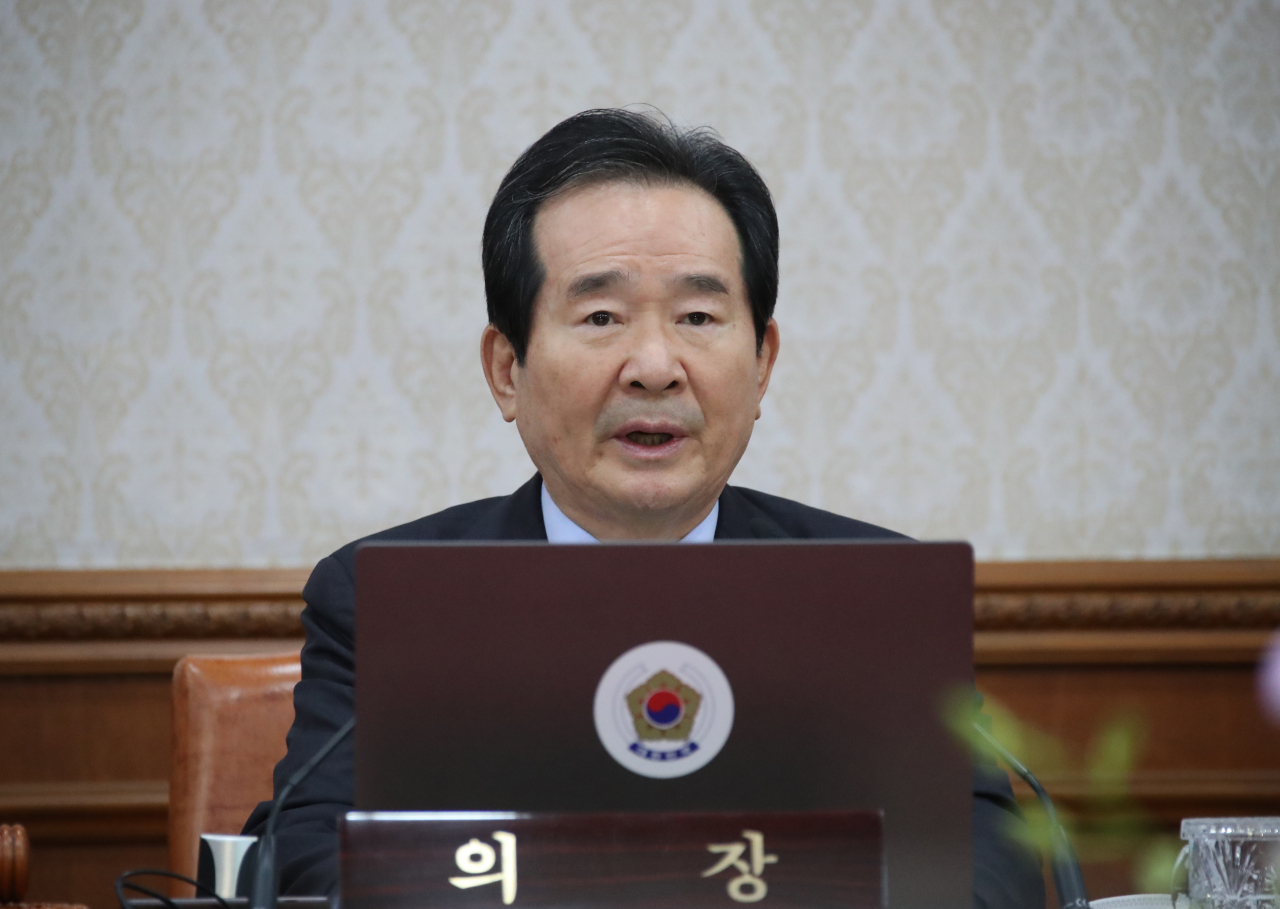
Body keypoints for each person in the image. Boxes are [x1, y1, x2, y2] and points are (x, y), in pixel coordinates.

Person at [242, 108, 1046, 908]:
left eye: (698, 316)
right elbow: (309, 857)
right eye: (601, 317)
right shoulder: (388, 598)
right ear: (507, 369)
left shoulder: (874, 597)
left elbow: (987, 863)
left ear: (762, 364)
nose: (656, 366)